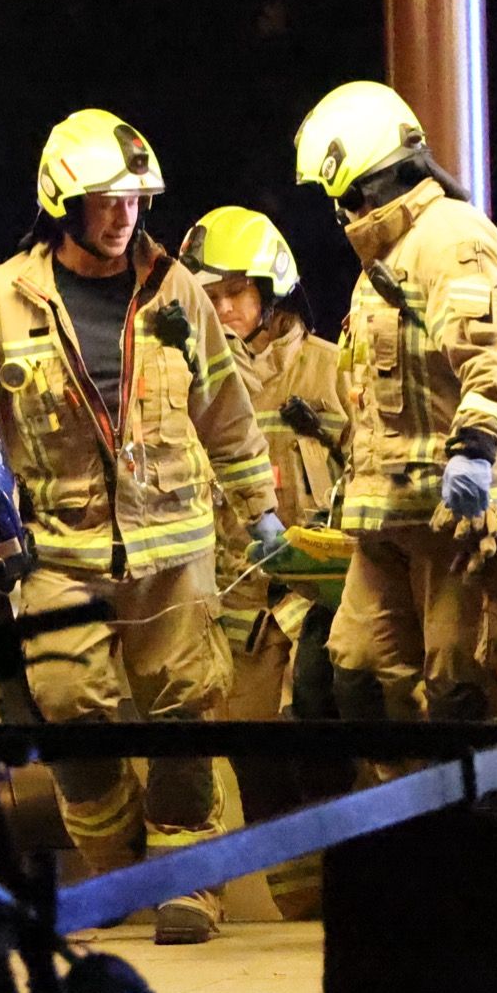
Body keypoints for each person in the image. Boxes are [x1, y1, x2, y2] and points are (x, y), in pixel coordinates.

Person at [0, 108, 282, 945]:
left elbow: (225, 412)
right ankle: (115, 867)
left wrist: (260, 510)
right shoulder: (2, 300)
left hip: (173, 547)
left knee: (184, 710)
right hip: (57, 552)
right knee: (70, 706)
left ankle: (188, 886)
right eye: (105, 200)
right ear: (63, 204)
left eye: (134, 199)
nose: (123, 215)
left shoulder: (176, 291)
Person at [293, 80, 497, 736]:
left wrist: (475, 452)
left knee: (460, 691)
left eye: (345, 194)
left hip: (464, 519)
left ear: (368, 178)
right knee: (361, 674)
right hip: (392, 512)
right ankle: (404, 802)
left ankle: (480, 806)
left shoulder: (449, 238)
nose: (341, 210)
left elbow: (495, 354)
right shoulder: (386, 254)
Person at [179, 203, 350, 917]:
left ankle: (352, 891)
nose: (224, 309)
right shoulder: (189, 384)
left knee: (332, 742)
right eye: (210, 296)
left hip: (324, 595)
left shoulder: (332, 369)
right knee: (256, 757)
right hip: (239, 604)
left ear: (271, 290)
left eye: (236, 293)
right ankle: (301, 909)